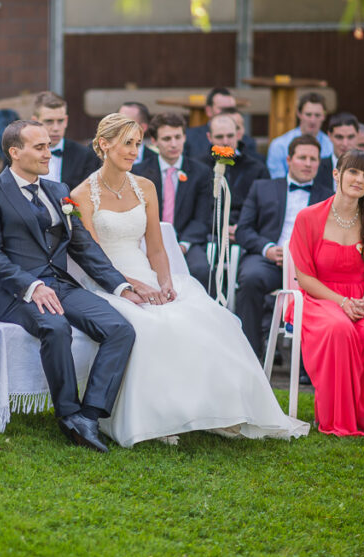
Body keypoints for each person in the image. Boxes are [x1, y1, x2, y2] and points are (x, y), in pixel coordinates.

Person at [68, 113, 309, 447]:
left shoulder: (145, 187)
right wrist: (132, 287)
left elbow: (156, 247)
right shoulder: (81, 195)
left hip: (149, 276)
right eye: (127, 144)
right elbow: (95, 260)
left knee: (213, 318)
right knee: (153, 327)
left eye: (138, 144)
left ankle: (219, 410)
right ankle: (164, 417)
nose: (134, 151)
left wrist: (165, 282)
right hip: (110, 284)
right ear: (104, 144)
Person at [0, 119, 140, 453]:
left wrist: (121, 286)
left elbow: (83, 246)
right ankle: (67, 413)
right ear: (14, 152)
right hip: (18, 295)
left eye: (49, 146)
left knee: (120, 328)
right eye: (40, 147)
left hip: (62, 286)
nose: (49, 153)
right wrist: (31, 286)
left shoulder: (59, 191)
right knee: (56, 327)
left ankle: (88, 417)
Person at [288, 150, 364, 440]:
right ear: (336, 174)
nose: (359, 180)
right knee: (338, 328)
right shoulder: (308, 218)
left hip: (361, 297)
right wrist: (342, 302)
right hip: (319, 297)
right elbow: (304, 277)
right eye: (353, 172)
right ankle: (338, 419)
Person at [235, 134, 333, 357]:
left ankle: (310, 363)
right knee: (250, 278)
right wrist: (267, 248)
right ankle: (250, 356)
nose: (308, 164)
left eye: (313, 159)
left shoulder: (329, 197)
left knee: (329, 287)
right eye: (302, 157)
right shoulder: (262, 188)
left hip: (311, 267)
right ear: (289, 160)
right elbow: (243, 230)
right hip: (269, 260)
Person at [133, 112, 213, 286]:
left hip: (187, 241)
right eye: (167, 138)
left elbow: (202, 218)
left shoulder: (201, 172)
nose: (174, 144)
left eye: (178, 137)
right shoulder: (139, 173)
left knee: (201, 269)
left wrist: (182, 245)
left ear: (185, 137)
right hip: (148, 241)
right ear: (154, 141)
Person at [207, 111, 269, 234]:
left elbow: (263, 207)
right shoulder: (199, 167)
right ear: (209, 137)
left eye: (230, 136)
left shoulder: (257, 168)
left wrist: (241, 229)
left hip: (246, 231)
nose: (225, 141)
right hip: (208, 232)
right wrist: (221, 228)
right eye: (219, 137)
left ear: (238, 135)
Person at [32, 91, 99, 190]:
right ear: (35, 122)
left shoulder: (84, 155)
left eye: (60, 121)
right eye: (49, 121)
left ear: (66, 121)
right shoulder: (19, 153)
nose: (56, 128)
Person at [266, 91, 334, 178]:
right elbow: (277, 182)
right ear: (299, 113)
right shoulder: (279, 145)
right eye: (308, 114)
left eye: (317, 115)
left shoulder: (331, 146)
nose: (312, 120)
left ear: (324, 116)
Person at [183, 87, 259, 163]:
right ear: (209, 111)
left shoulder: (247, 142)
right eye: (223, 109)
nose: (227, 113)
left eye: (231, 109)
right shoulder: (190, 138)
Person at [313, 112, 359, 190]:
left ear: (358, 135)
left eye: (350, 137)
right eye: (339, 137)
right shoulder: (317, 168)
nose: (345, 143)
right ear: (329, 136)